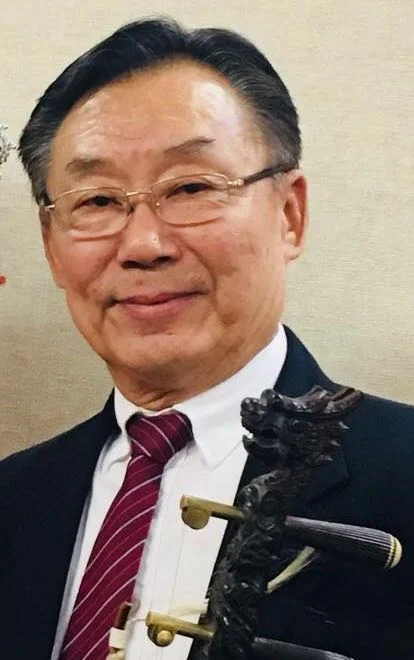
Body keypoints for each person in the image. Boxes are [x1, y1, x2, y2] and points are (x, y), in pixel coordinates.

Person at [1, 17, 413, 660]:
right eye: (97, 201)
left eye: (191, 188)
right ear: (52, 247)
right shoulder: (12, 498)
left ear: (290, 214)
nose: (144, 244)